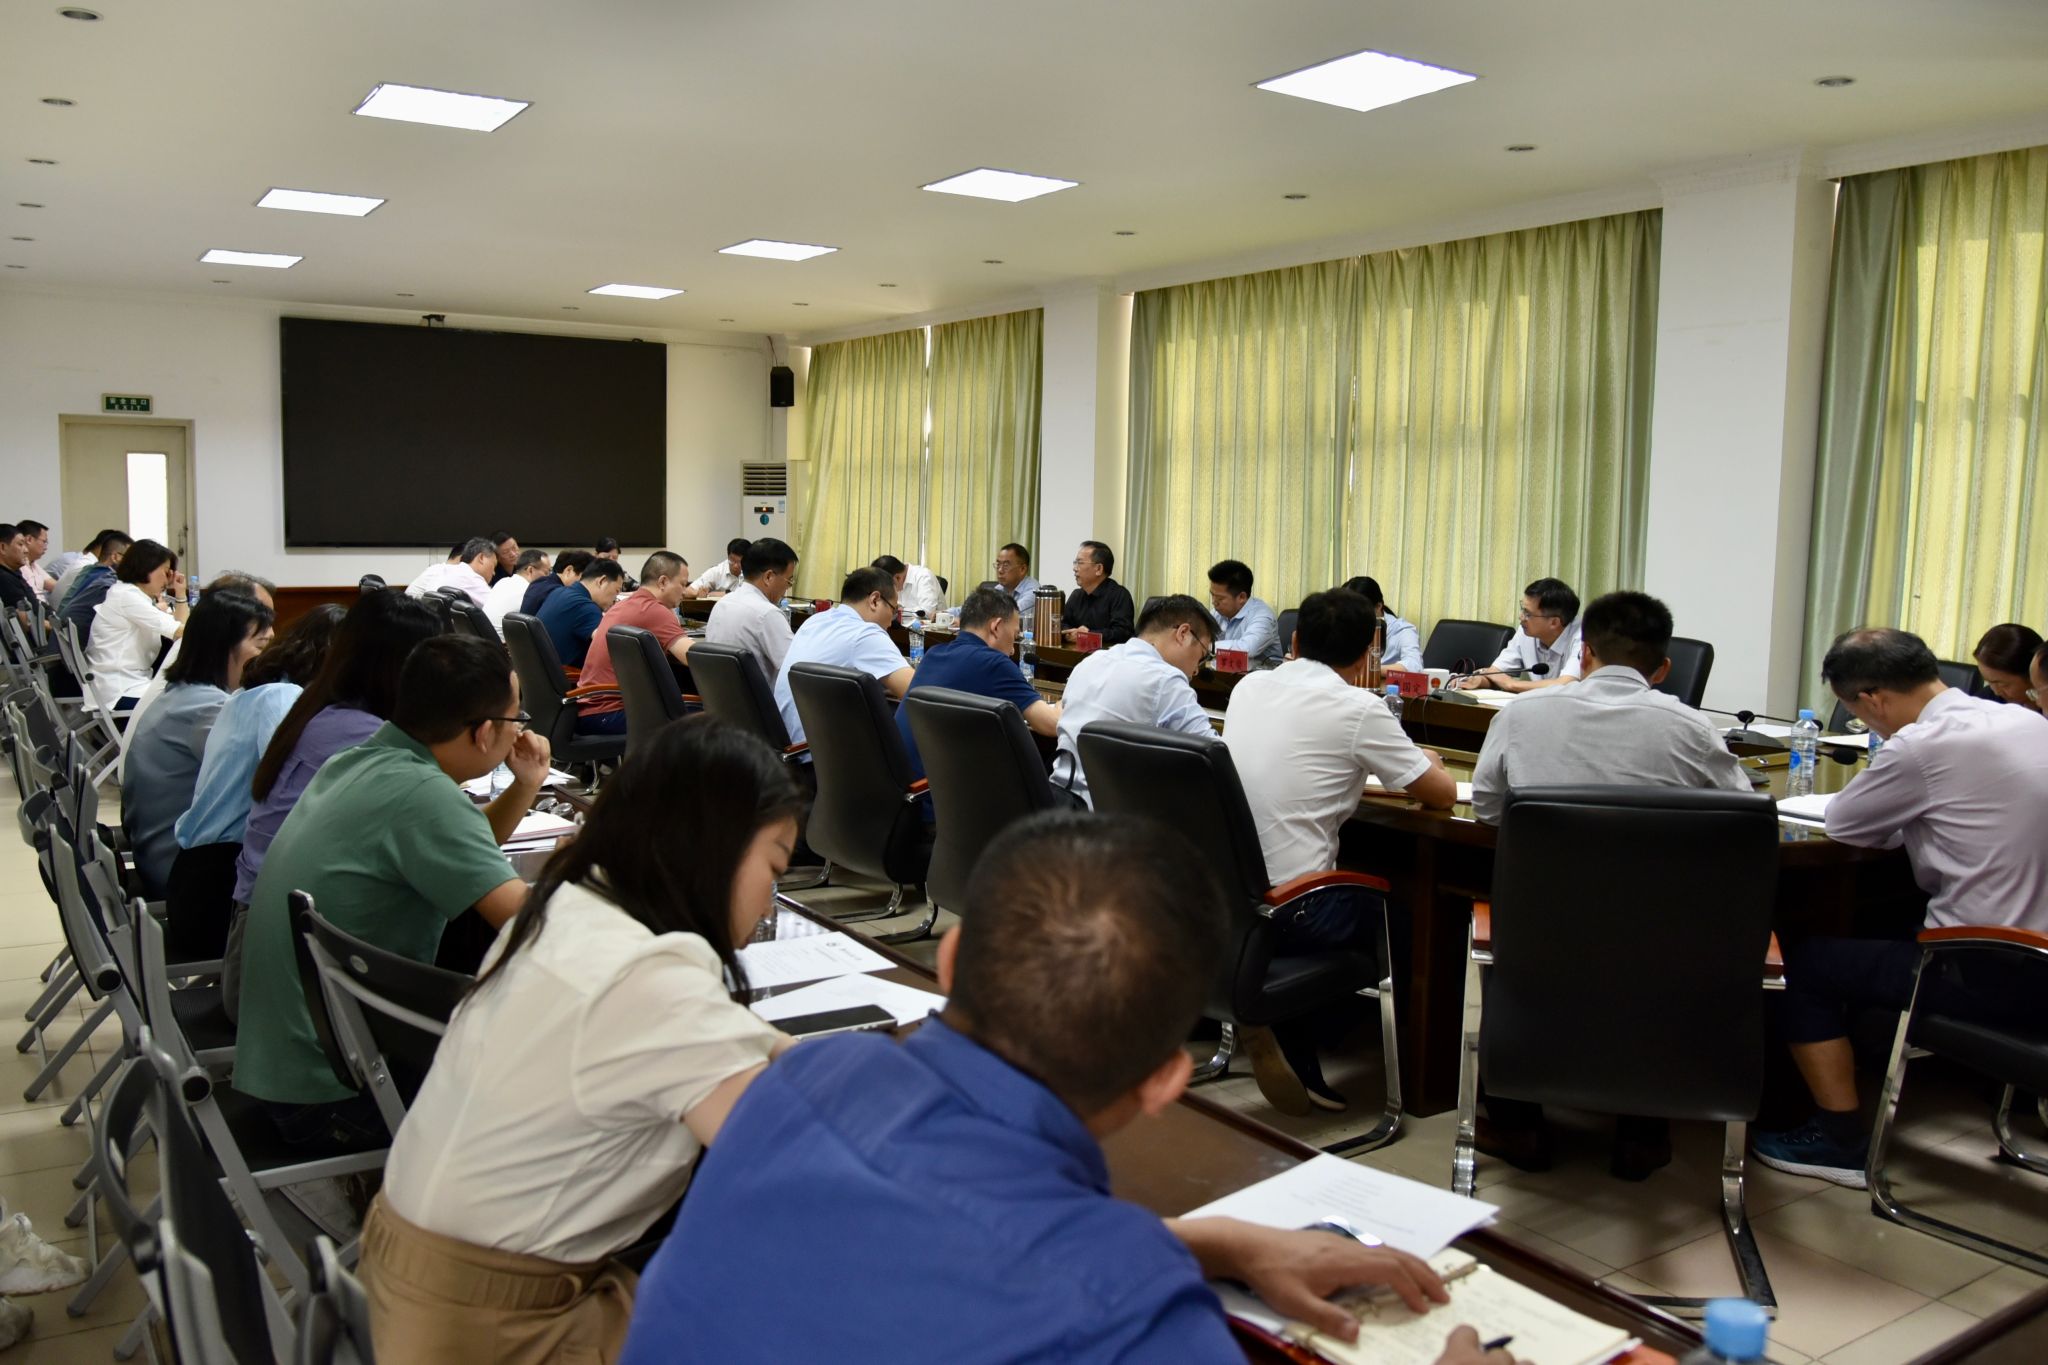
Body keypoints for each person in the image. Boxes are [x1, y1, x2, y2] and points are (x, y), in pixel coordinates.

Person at [624, 812, 1504, 1365]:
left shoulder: (804, 1078)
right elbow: (1020, 1259)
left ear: (951, 959)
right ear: (1166, 1081)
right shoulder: (1127, 1314)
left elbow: (939, 1240)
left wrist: (1222, 1244)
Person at [362, 718, 804, 1364]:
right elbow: (790, 1149)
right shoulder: (650, 981)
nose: (769, 903)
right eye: (774, 867)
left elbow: (729, 1044)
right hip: (492, 1327)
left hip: (411, 1278)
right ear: (715, 849)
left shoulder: (568, 907)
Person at [1469, 591, 1752, 1179]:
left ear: (1585, 654)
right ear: (1663, 667)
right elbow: (1738, 820)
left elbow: (1491, 811)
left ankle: (1519, 1125)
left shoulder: (1520, 717)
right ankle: (1642, 1133)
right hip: (1656, 937)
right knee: (1651, 952)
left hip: (1537, 929)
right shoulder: (1692, 728)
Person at [1752, 628, 2048, 1187]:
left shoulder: (1921, 746)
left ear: (1873, 699)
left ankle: (1838, 1140)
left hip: (1996, 969)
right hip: (2036, 951)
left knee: (1803, 962)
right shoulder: (2025, 720)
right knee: (1881, 918)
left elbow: (1845, 824)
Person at [234, 636, 551, 1147]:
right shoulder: (423, 795)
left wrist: (525, 784)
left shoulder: (365, 758)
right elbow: (537, 926)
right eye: (517, 718)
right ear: (484, 732)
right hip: (335, 1099)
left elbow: (461, 850)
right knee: (552, 1091)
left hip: (292, 1068)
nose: (521, 731)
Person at [1224, 589, 1456, 1113]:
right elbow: (1440, 795)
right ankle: (1418, 1085)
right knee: (1415, 916)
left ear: (1294, 642)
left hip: (1233, 893)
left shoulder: (1250, 686)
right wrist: (1427, 759)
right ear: (1365, 656)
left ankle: (1290, 1027)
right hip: (1301, 907)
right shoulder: (1359, 706)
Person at [225, 590, 445, 1019]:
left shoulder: (319, 708)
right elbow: (439, 827)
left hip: (260, 940)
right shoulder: (361, 735)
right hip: (282, 975)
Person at [170, 604, 344, 961]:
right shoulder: (281, 697)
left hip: (198, 876)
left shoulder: (251, 693)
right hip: (217, 889)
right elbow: (292, 785)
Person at [120, 589, 274, 900]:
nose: (270, 657)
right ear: (222, 647)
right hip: (182, 876)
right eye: (262, 645)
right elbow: (268, 780)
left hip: (159, 856)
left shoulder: (184, 694)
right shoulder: (208, 709)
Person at [1051, 594, 1217, 808]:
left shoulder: (1090, 662)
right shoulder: (1165, 679)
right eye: (1202, 656)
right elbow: (1214, 757)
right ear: (1183, 633)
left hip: (1056, 804)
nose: (1196, 670)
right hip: (1111, 818)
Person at [897, 586, 1057, 783]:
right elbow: (1051, 724)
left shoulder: (933, 654)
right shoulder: (994, 663)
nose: (1013, 650)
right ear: (996, 626)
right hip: (937, 791)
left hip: (905, 785)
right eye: (1015, 636)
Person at [773, 567, 911, 747]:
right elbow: (915, 693)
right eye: (893, 610)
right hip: (821, 754)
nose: (892, 622)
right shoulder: (865, 634)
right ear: (875, 600)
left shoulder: (814, 621)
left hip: (789, 747)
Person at [574, 552, 694, 737]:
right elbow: (692, 657)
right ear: (663, 582)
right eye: (683, 584)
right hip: (611, 712)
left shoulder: (623, 605)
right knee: (710, 716)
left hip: (589, 708)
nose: (685, 591)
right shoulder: (654, 610)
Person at [84, 538, 187, 710]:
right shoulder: (127, 597)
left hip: (132, 682)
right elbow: (179, 631)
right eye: (166, 572)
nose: (168, 579)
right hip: (120, 689)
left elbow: (179, 626)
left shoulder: (133, 595)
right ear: (146, 568)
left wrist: (180, 593)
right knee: (190, 701)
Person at [1455, 578, 1582, 692]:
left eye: (1528, 614)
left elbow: (1566, 685)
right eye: (1522, 609)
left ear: (1554, 622)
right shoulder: (1526, 631)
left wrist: (1512, 684)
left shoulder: (1584, 637)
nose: (1521, 617)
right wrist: (1479, 681)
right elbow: (1497, 672)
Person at [703, 537, 798, 677]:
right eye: (788, 580)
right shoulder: (767, 614)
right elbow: (795, 669)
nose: (787, 587)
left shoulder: (721, 604)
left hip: (719, 691)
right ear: (769, 577)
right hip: (760, 692)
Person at [535, 556, 624, 668]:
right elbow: (610, 647)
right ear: (602, 581)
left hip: (540, 669)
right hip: (568, 675)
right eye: (616, 591)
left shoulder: (558, 592)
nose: (615, 599)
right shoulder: (585, 607)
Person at [1341, 576, 1423, 672]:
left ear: (1378, 606)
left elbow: (1415, 666)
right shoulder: (1346, 626)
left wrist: (1371, 670)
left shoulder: (1402, 630)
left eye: (1357, 611)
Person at [1207, 559, 1280, 665]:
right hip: (1225, 673)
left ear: (1241, 597)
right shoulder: (1217, 612)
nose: (1214, 602)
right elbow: (1201, 636)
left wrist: (1207, 646)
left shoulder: (1264, 616)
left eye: (1220, 598)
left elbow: (1247, 648)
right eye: (1212, 595)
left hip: (1263, 674)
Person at [1062, 540, 1135, 646]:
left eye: (1080, 563)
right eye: (1075, 563)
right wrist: (1069, 633)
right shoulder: (1076, 595)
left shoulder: (1119, 595)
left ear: (1099, 569)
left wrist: (1089, 635)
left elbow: (1123, 633)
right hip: (1074, 653)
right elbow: (1063, 623)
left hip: (1108, 654)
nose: (1075, 568)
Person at [50, 529, 129, 611]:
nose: (129, 562)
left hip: (58, 615)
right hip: (61, 616)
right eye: (127, 557)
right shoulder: (91, 569)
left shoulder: (86, 563)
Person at [406, 538, 496, 609]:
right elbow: (495, 607)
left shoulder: (448, 571)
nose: (494, 573)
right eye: (493, 566)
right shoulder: (469, 576)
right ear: (481, 557)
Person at [1971, 622, 2043, 711]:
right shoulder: (1986, 700)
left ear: (2032, 675)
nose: (1996, 692)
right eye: (1989, 682)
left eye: (2003, 685)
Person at [484, 549, 552, 634]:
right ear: (530, 570)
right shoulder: (529, 592)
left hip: (486, 637)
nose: (549, 578)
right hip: (503, 641)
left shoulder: (502, 581)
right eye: (546, 573)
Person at [520, 549, 592, 617]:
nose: (585, 584)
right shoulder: (558, 593)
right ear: (569, 570)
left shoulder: (539, 582)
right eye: (583, 578)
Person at [870, 554, 944, 619]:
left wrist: (897, 611)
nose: (885, 588)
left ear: (897, 578)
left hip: (931, 629)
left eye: (886, 584)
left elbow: (927, 612)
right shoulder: (895, 579)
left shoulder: (924, 576)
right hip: (901, 627)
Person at [684, 538, 751, 598]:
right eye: (732, 560)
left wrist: (726, 593)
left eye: (739, 562)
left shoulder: (753, 571)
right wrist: (699, 593)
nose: (735, 565)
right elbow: (687, 591)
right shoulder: (717, 571)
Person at [993, 541, 1040, 617]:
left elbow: (1008, 615)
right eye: (998, 564)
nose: (1000, 570)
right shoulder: (999, 589)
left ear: (1022, 569)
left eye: (1006, 565)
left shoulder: (1034, 591)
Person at [0, 526, 33, 624]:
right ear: (2, 547)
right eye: (20, 544)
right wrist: (56, 627)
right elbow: (26, 621)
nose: (26, 550)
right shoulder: (4, 578)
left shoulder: (14, 573)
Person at [12, 521, 52, 600]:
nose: (46, 547)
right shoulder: (16, 566)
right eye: (44, 541)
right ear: (29, 539)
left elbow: (55, 586)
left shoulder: (33, 564)